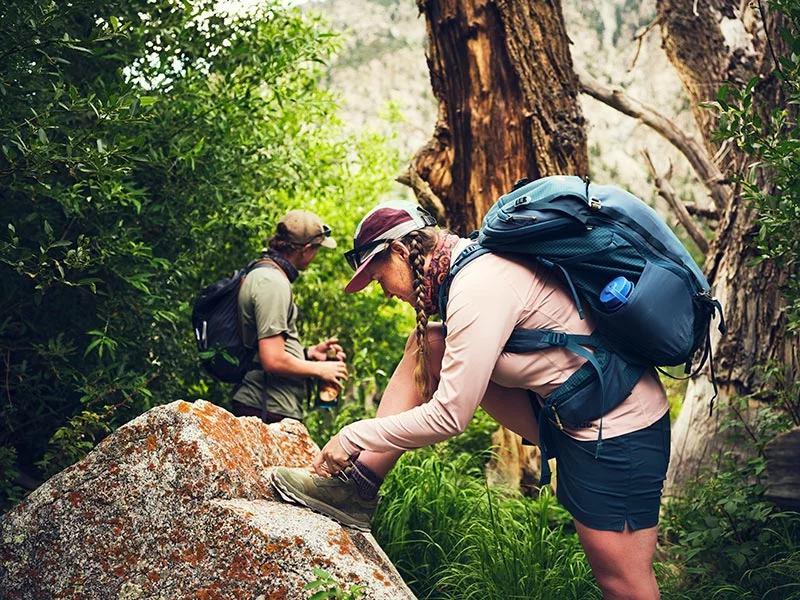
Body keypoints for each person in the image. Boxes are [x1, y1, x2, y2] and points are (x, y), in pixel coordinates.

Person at [270, 200, 669, 599]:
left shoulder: (477, 285)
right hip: (576, 415)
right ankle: (358, 486)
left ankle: (356, 481)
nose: (386, 294)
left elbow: (449, 417)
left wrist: (354, 435)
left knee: (623, 584)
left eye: (379, 278)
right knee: (429, 343)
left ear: (400, 251)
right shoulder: (468, 269)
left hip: (620, 427)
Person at [231, 209, 348, 424]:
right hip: (267, 407)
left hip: (269, 404)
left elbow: (264, 348)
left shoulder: (262, 273)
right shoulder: (272, 283)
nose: (315, 256)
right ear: (305, 250)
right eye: (316, 250)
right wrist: (322, 369)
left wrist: (308, 353)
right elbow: (272, 360)